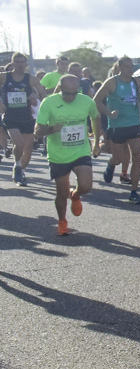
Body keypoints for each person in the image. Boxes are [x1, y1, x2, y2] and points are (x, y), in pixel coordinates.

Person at [34, 74, 100, 235]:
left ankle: (75, 195)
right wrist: (51, 129)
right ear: (60, 89)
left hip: (80, 150)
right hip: (59, 153)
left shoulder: (86, 101)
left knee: (86, 186)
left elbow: (95, 118)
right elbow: (37, 131)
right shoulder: (49, 103)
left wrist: (97, 142)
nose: (70, 97)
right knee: (61, 193)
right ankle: (62, 221)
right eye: (67, 93)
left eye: (74, 93)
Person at [93, 56, 140, 203]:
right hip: (117, 125)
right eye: (127, 66)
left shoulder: (137, 82)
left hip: (134, 122)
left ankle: (134, 192)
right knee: (118, 159)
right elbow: (96, 101)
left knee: (137, 155)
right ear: (119, 68)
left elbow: (139, 99)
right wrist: (109, 113)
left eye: (131, 66)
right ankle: (111, 165)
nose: (130, 69)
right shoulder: (111, 82)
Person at [0, 53, 47, 186]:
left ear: (26, 64)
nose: (20, 64)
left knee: (28, 147)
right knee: (19, 143)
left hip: (27, 117)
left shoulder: (31, 79)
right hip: (10, 116)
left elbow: (43, 94)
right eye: (17, 62)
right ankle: (17, 165)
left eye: (22, 62)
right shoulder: (4, 77)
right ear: (12, 63)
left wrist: (36, 95)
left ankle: (21, 170)